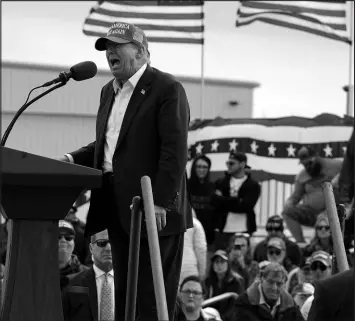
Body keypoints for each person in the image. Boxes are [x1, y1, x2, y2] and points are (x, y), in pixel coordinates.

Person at [57, 21, 192, 321]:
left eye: (118, 46)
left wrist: (159, 200)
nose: (110, 52)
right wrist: (72, 158)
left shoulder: (167, 88)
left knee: (152, 298)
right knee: (125, 297)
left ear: (142, 52)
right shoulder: (109, 91)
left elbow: (175, 150)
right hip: (117, 208)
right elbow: (109, 146)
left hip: (155, 210)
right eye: (107, 47)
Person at [281, 146, 342, 243]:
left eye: (310, 163)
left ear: (316, 157)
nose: (308, 167)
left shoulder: (337, 165)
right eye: (305, 165)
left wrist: (339, 177)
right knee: (287, 212)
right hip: (312, 213)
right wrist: (289, 203)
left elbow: (350, 170)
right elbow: (295, 196)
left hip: (335, 211)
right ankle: (301, 244)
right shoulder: (301, 176)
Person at [61, 230, 114, 321]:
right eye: (101, 243)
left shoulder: (133, 283)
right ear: (91, 248)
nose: (108, 248)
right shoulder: (71, 283)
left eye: (113, 243)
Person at [212, 152, 261, 249]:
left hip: (243, 230)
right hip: (222, 230)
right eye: (228, 163)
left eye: (232, 163)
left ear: (242, 164)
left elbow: (246, 206)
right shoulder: (221, 182)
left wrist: (224, 200)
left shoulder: (253, 185)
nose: (228, 166)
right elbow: (215, 202)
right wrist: (237, 200)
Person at [233, 262, 304, 321]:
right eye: (270, 282)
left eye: (279, 284)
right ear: (261, 279)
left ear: (284, 284)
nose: (274, 288)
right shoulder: (244, 302)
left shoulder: (289, 304)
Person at [188, 155, 216, 248]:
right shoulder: (185, 185)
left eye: (205, 167)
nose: (202, 169)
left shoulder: (213, 187)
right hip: (189, 231)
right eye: (199, 166)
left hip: (208, 234)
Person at [179, 209, 207, 284]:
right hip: (189, 268)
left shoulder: (167, 221)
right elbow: (201, 249)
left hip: (170, 266)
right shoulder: (196, 223)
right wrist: (202, 272)